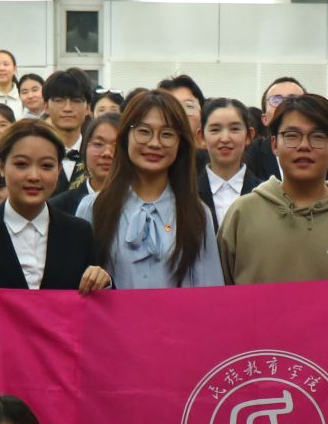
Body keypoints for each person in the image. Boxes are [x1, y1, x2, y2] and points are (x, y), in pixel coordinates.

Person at [0, 119, 111, 391]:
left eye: (46, 166)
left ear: (59, 169)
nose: (34, 176)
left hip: (65, 380)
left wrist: (103, 281)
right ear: (1, 166)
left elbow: (98, 312)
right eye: (22, 164)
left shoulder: (79, 232)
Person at [220, 94, 328, 285]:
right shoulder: (242, 213)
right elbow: (218, 290)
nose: (304, 146)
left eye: (318, 137)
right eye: (292, 136)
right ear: (274, 144)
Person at [81, 89, 222, 289]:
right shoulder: (93, 207)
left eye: (167, 134)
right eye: (144, 132)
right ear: (126, 136)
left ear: (181, 143)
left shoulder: (197, 213)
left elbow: (209, 291)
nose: (155, 143)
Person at [199, 97, 263, 227]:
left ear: (249, 136)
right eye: (215, 130)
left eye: (234, 129)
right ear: (201, 137)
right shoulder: (186, 195)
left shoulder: (265, 194)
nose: (225, 138)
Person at [50, 113, 119, 220]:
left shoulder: (140, 206)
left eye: (117, 146)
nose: (107, 153)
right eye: (98, 144)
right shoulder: (57, 207)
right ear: (85, 148)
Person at [41, 69, 96, 191]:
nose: (67, 108)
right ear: (46, 106)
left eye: (76, 101)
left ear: (88, 108)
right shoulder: (35, 153)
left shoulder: (97, 154)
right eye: (59, 100)